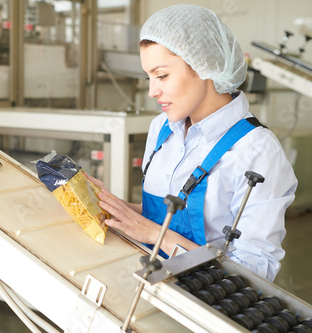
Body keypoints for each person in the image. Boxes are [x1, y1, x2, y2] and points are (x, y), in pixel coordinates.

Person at [86, 4, 297, 282]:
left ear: (203, 64)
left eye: (162, 76)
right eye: (148, 77)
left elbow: (255, 273)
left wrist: (153, 235)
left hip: (206, 302)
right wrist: (116, 208)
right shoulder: (161, 128)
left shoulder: (257, 151)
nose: (152, 91)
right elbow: (162, 213)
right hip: (144, 281)